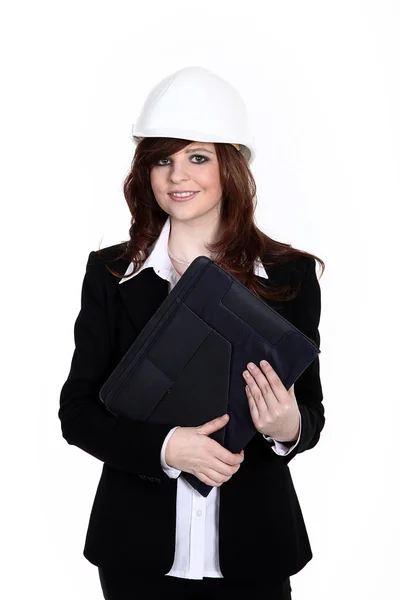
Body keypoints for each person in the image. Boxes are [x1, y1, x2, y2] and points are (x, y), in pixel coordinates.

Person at [59, 66, 325, 600]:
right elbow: (78, 412)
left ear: (230, 166)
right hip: (136, 552)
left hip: (255, 550)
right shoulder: (112, 274)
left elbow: (312, 414)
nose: (178, 176)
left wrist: (287, 425)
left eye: (197, 157)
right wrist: (165, 447)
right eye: (163, 159)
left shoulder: (290, 275)